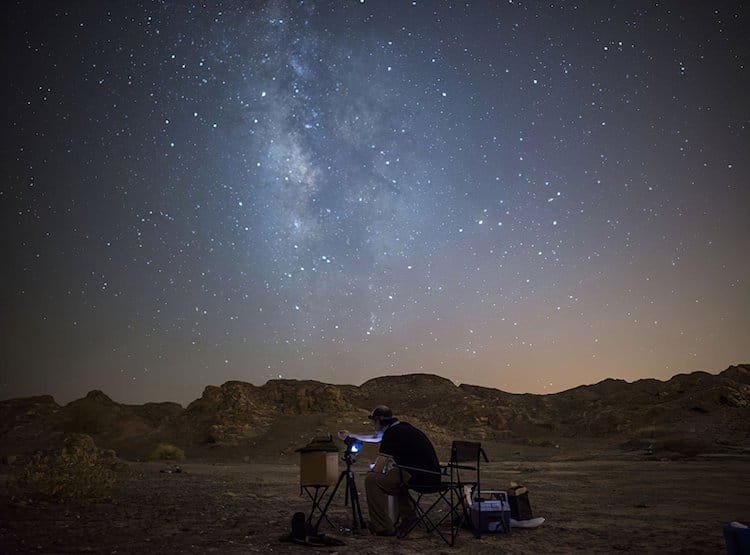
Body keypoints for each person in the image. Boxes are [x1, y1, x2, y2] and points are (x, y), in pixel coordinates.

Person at [338, 405, 440, 537]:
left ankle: (382, 527)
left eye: (373, 421)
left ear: (379, 420)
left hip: (419, 477)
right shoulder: (401, 428)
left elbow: (378, 467)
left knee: (372, 480)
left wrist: (373, 471)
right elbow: (376, 438)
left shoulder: (392, 434)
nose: (372, 425)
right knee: (394, 476)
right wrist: (351, 435)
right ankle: (409, 516)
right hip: (432, 475)